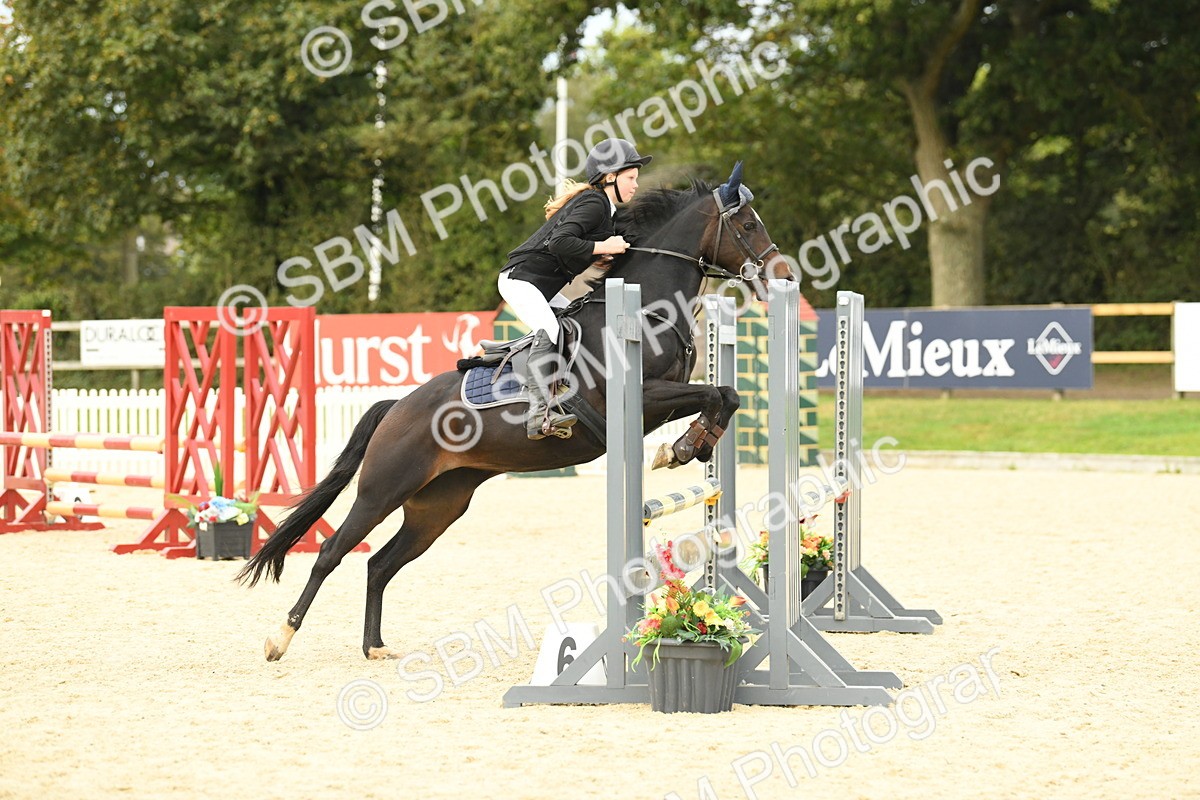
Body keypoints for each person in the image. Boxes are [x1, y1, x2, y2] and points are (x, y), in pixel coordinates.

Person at [499, 138, 652, 439]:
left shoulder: (605, 210)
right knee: (551, 329)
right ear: (610, 176)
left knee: (572, 323)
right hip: (520, 280)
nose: (636, 185)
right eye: (631, 177)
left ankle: (564, 390)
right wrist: (603, 246)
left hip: (539, 286)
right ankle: (538, 415)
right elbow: (559, 242)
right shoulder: (594, 203)